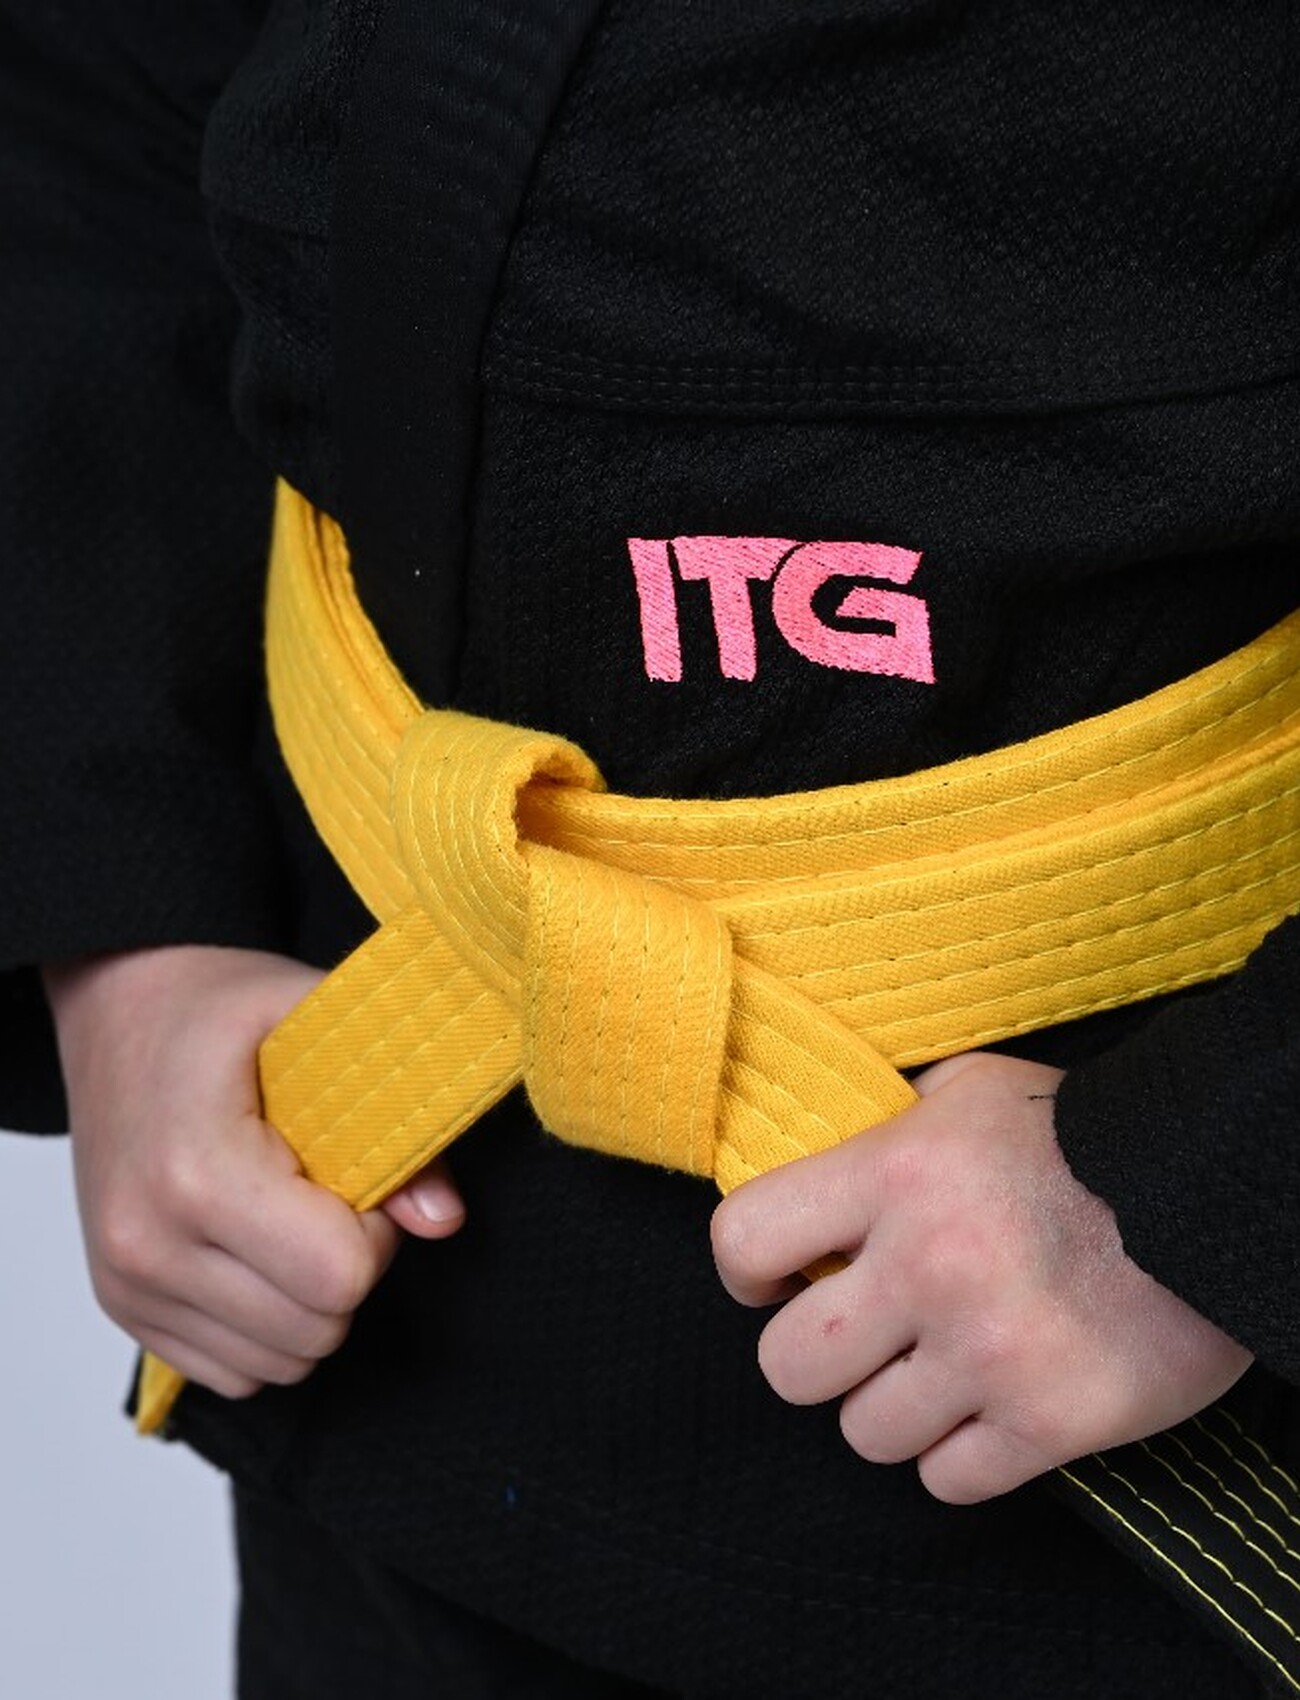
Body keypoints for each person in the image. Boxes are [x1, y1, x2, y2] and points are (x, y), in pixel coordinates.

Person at [4, 3, 1298, 1696]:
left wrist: (1220, 1170)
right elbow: (93, 96)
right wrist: (127, 919)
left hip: (1149, 1402)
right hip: (390, 1266)